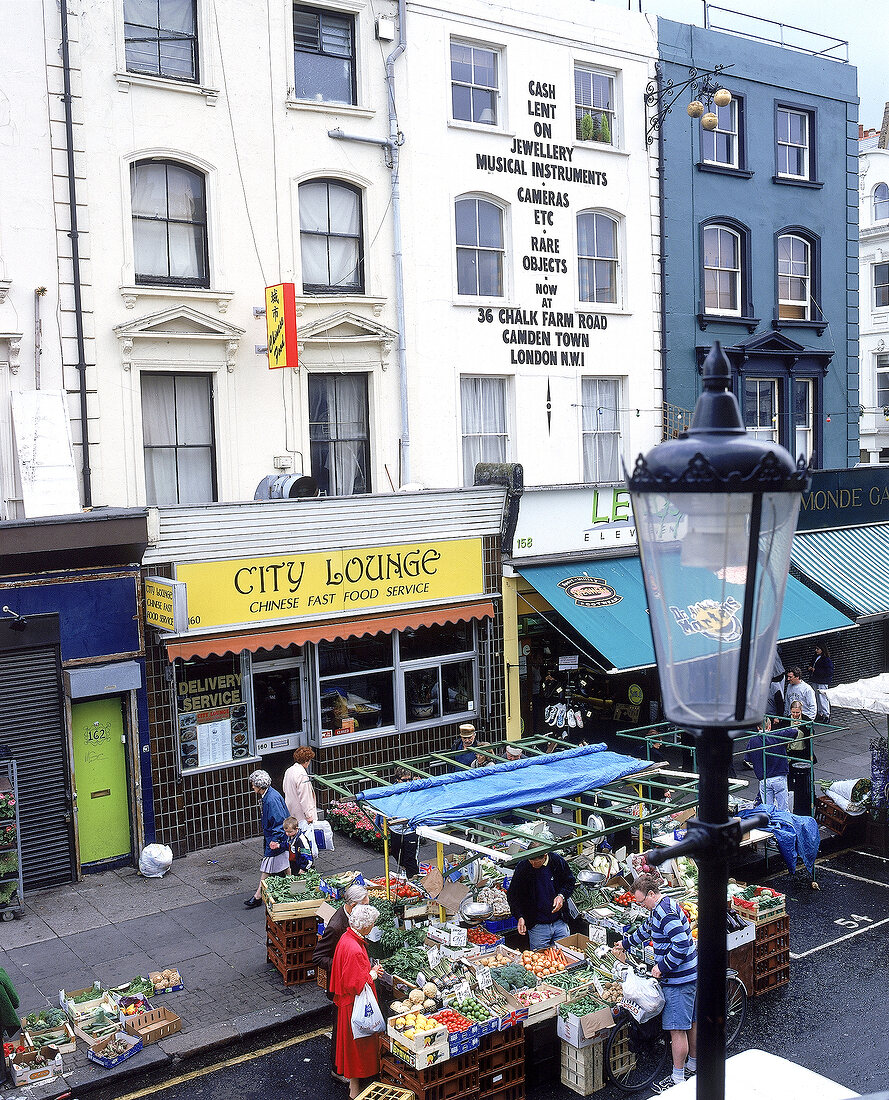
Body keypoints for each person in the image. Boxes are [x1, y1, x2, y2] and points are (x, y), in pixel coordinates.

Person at [612, 872, 697, 1091]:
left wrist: (662, 966)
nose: (641, 906)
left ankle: (678, 1078)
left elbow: (681, 945)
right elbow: (648, 929)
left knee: (677, 1030)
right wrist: (626, 943)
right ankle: (694, 1064)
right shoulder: (662, 906)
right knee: (691, 1023)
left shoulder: (664, 913)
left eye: (641, 901)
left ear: (651, 893)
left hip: (679, 980)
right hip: (690, 974)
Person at [313, 884, 371, 1080]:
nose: (367, 908)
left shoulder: (352, 919)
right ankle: (337, 1069)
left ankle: (347, 1066)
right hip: (340, 985)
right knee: (340, 1028)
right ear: (353, 905)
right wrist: (341, 965)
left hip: (347, 981)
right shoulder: (337, 926)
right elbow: (318, 957)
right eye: (365, 905)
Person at [330, 903, 383, 1099]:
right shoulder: (354, 948)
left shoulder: (346, 938)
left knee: (352, 1048)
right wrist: (373, 973)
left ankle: (355, 1087)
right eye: (372, 924)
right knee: (357, 1047)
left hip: (347, 1004)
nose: (373, 927)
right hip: (354, 1005)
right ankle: (355, 1089)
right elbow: (355, 983)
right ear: (365, 926)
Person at [506, 850, 575, 949]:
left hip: (560, 922)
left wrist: (561, 895)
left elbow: (570, 882)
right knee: (540, 960)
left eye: (537, 862)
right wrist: (520, 916)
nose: (533, 865)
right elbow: (513, 895)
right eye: (531, 861)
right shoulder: (523, 867)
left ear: (545, 856)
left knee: (564, 955)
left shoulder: (556, 861)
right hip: (537, 927)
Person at [245, 770, 289, 908]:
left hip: (275, 837)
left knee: (267, 866)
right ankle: (290, 886)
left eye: (253, 785)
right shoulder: (271, 796)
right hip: (277, 836)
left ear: (260, 786)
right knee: (284, 865)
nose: (252, 787)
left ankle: (258, 895)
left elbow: (278, 821)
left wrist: (275, 839)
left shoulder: (270, 799)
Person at [283, 746, 319, 871]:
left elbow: (284, 789)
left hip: (291, 812)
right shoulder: (302, 775)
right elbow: (305, 797)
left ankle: (296, 865)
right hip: (302, 816)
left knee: (294, 843)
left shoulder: (289, 771)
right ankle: (305, 867)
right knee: (305, 844)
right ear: (307, 760)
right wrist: (309, 815)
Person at [743, 718, 790, 812]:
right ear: (770, 726)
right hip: (778, 776)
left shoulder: (753, 741)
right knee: (783, 809)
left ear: (757, 727)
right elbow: (793, 732)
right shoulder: (776, 736)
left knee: (767, 810)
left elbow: (747, 759)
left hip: (764, 779)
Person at [808, 641, 835, 722]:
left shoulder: (826, 659)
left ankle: (826, 715)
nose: (816, 650)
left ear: (822, 649)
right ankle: (820, 713)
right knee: (816, 697)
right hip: (815, 680)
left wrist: (814, 670)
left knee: (823, 698)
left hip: (822, 681)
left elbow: (829, 672)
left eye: (818, 649)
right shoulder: (816, 657)